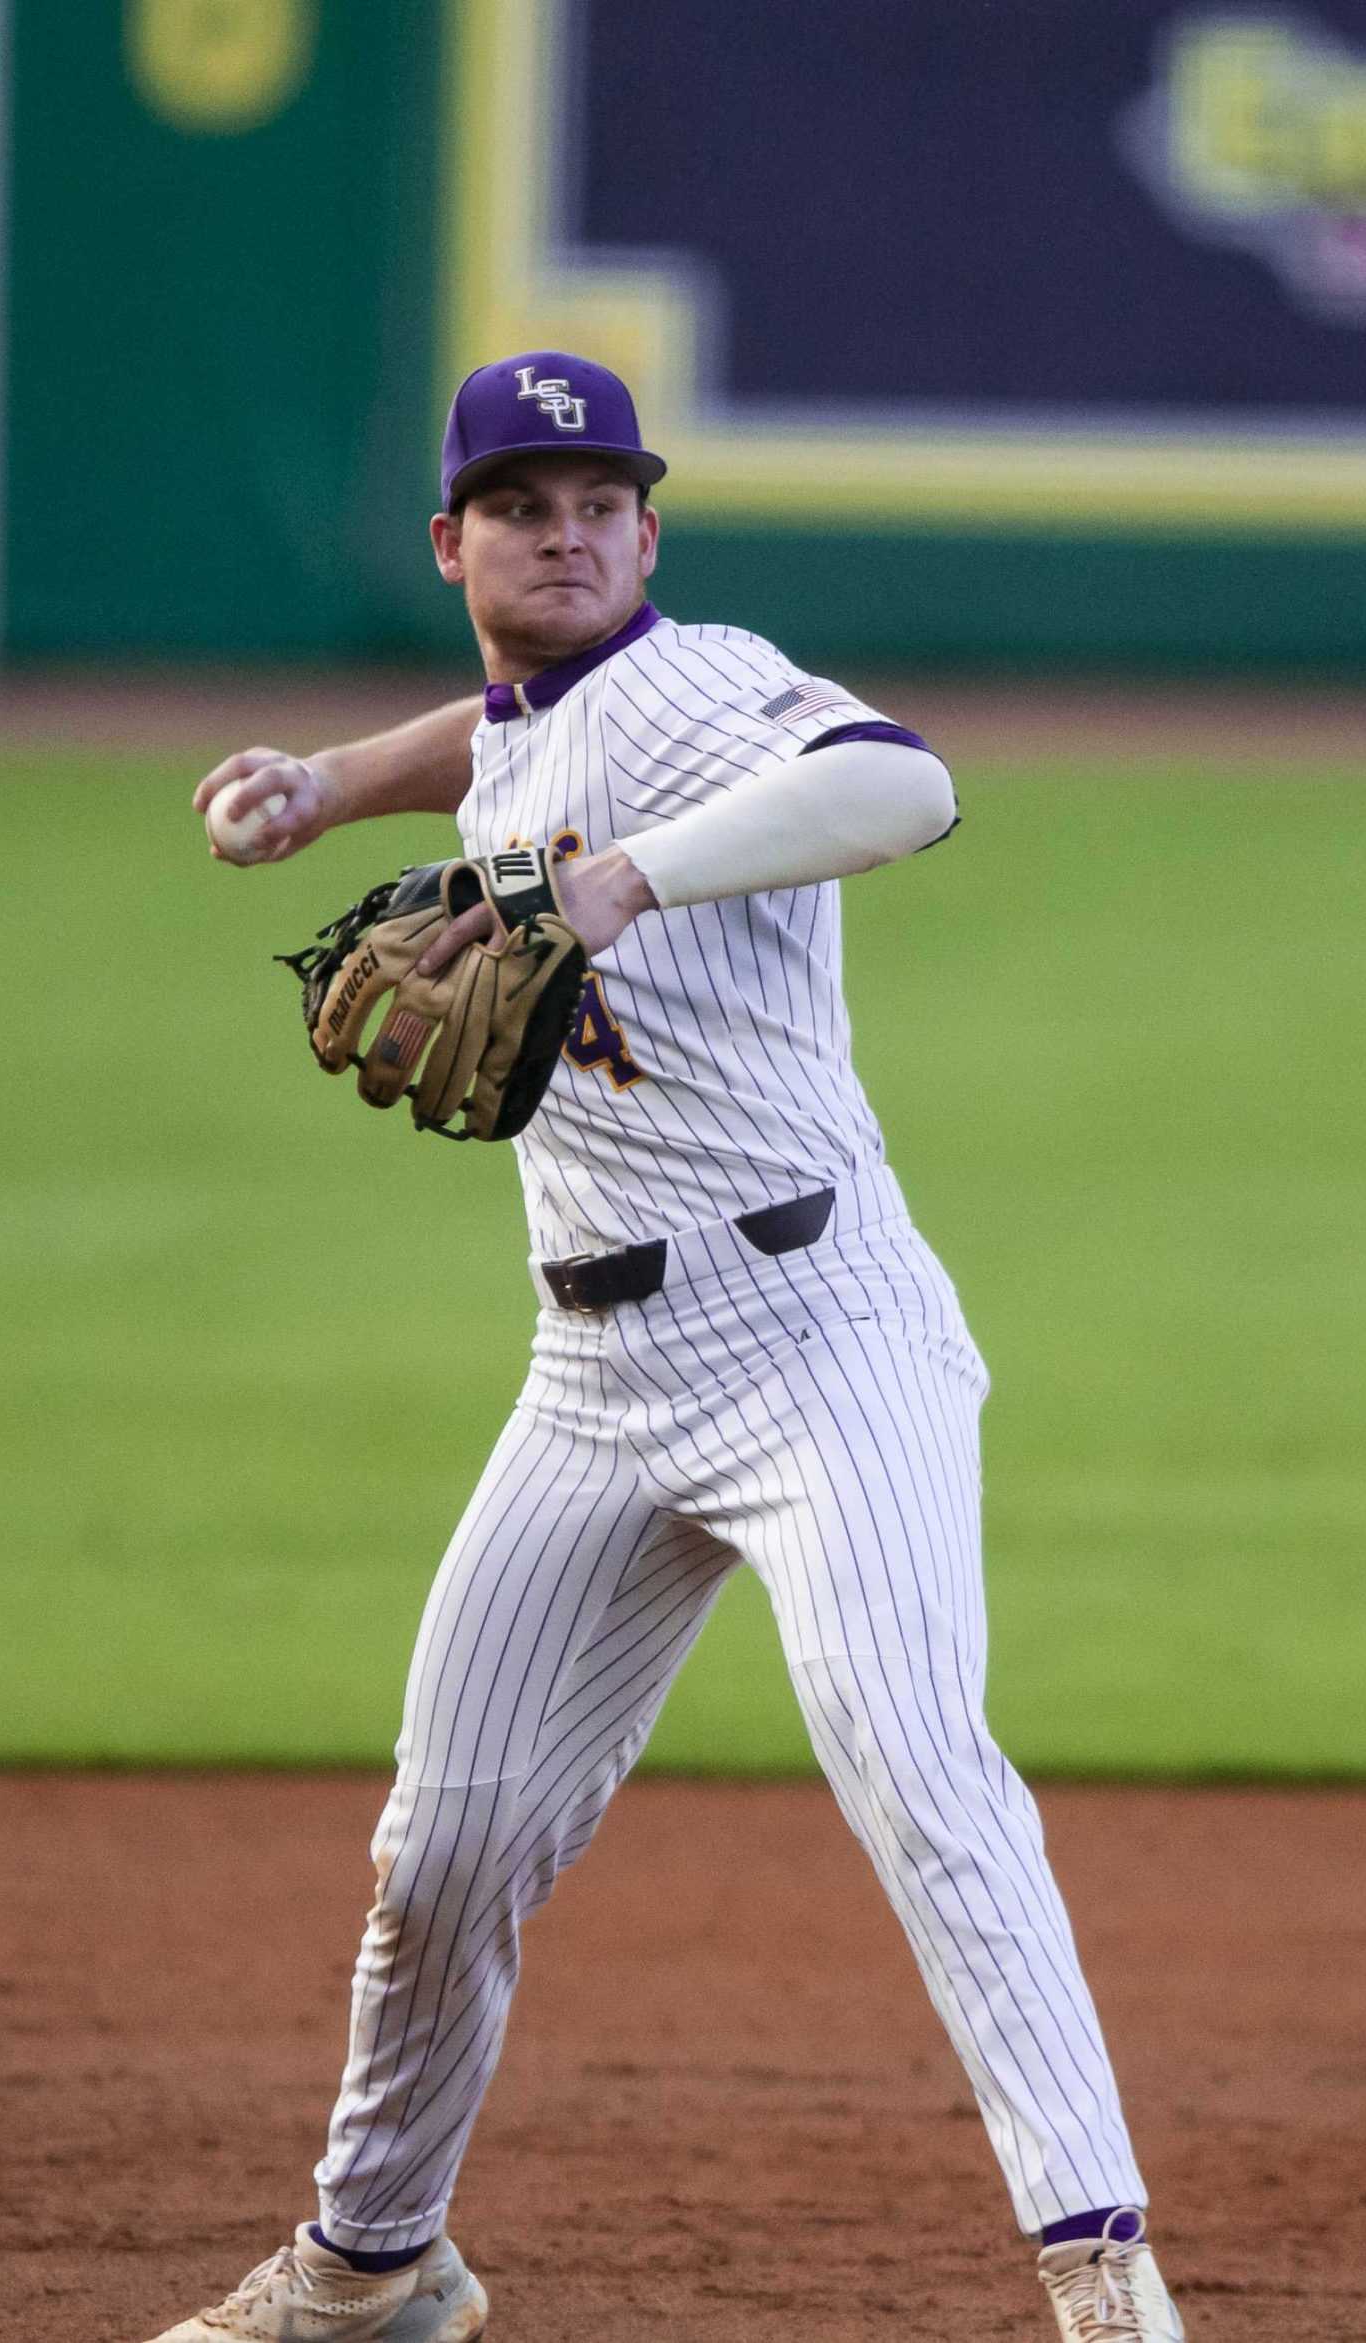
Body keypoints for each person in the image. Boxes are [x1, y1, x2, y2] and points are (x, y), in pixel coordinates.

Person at [152, 353, 1186, 2343]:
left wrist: (634, 875)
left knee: (913, 1763)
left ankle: (1100, 2274)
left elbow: (906, 784)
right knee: (442, 1840)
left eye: (599, 496)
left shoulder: (702, 681)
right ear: (448, 538)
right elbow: (510, 737)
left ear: (648, 531)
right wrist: (332, 780)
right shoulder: (546, 717)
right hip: (594, 1387)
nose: (565, 525)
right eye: (520, 498)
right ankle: (369, 2265)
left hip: (822, 1338)